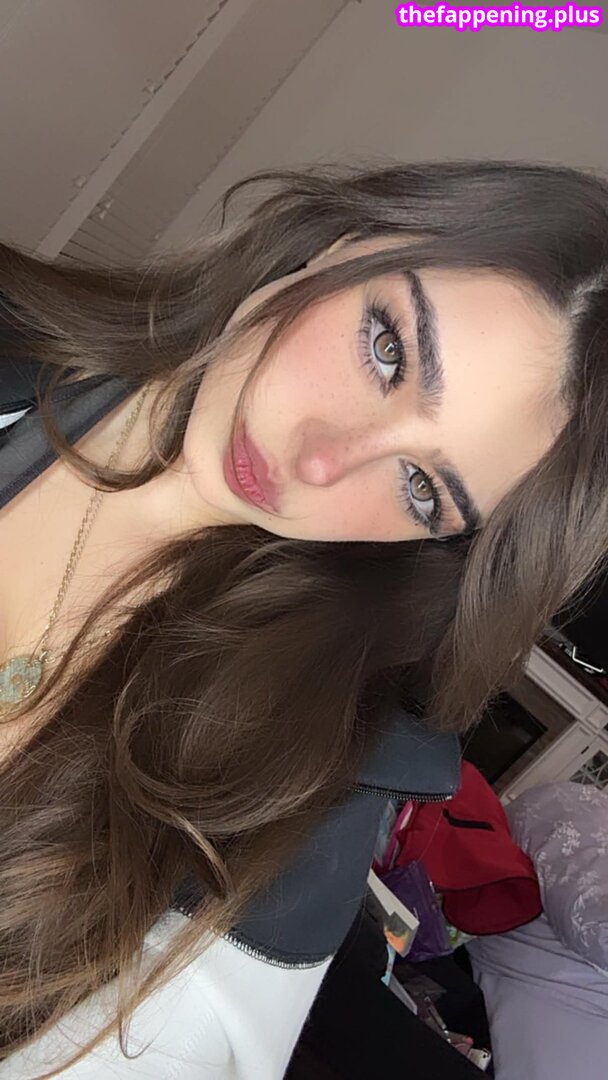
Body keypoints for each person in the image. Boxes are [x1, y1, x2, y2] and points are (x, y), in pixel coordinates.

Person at [0, 158, 606, 1077]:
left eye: (421, 487)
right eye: (388, 350)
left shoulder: (297, 790)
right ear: (345, 241)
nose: (322, 463)